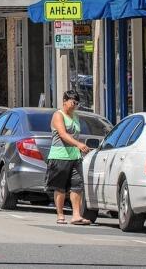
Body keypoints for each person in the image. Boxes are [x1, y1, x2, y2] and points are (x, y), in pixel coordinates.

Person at [47, 89, 92, 225]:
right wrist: (79, 144)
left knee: (77, 186)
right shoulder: (58, 115)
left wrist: (79, 148)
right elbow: (63, 134)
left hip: (74, 156)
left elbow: (75, 134)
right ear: (65, 101)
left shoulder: (76, 116)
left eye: (77, 103)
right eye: (73, 102)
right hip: (59, 156)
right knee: (60, 187)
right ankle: (60, 215)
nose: (75, 105)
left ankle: (76, 215)